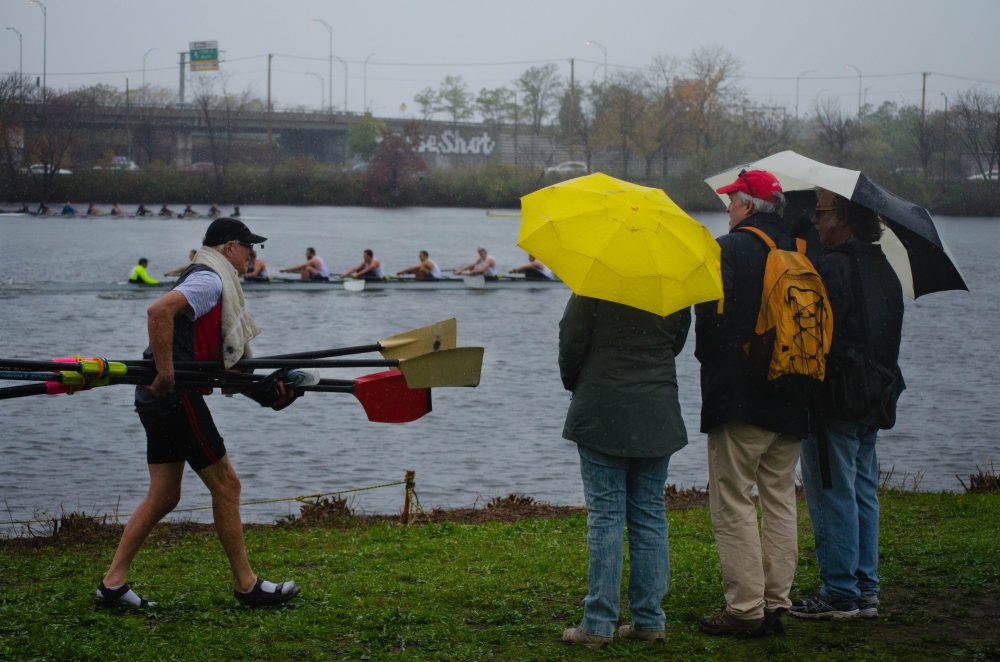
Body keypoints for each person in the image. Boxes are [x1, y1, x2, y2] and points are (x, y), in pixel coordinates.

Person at [97, 217, 301, 609]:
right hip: (175, 396)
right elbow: (159, 311)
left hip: (156, 396)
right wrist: (168, 371)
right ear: (228, 248)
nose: (252, 256)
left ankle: (112, 584)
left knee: (164, 494)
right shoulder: (210, 279)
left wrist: (267, 395)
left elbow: (222, 369)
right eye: (248, 248)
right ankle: (247, 586)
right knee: (227, 485)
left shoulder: (213, 277)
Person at [694, 169, 808, 637]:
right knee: (780, 496)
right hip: (796, 392)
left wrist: (715, 366)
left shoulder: (730, 249)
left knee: (733, 500)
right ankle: (777, 600)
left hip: (742, 397)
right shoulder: (801, 250)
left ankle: (744, 608)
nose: (728, 208)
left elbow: (710, 327)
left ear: (749, 205)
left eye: (733, 201)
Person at [789, 189, 904, 621]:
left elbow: (818, 335)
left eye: (821, 214)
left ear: (845, 218)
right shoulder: (885, 267)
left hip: (837, 396)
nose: (816, 222)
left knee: (831, 491)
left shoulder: (833, 267)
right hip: (876, 392)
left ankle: (839, 591)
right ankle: (865, 589)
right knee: (862, 490)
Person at [558, 295, 691, 648]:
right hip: (657, 409)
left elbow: (571, 339)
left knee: (606, 517)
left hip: (603, 406)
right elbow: (676, 341)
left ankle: (598, 625)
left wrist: (578, 382)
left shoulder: (596, 282)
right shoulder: (672, 284)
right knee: (650, 514)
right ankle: (649, 620)